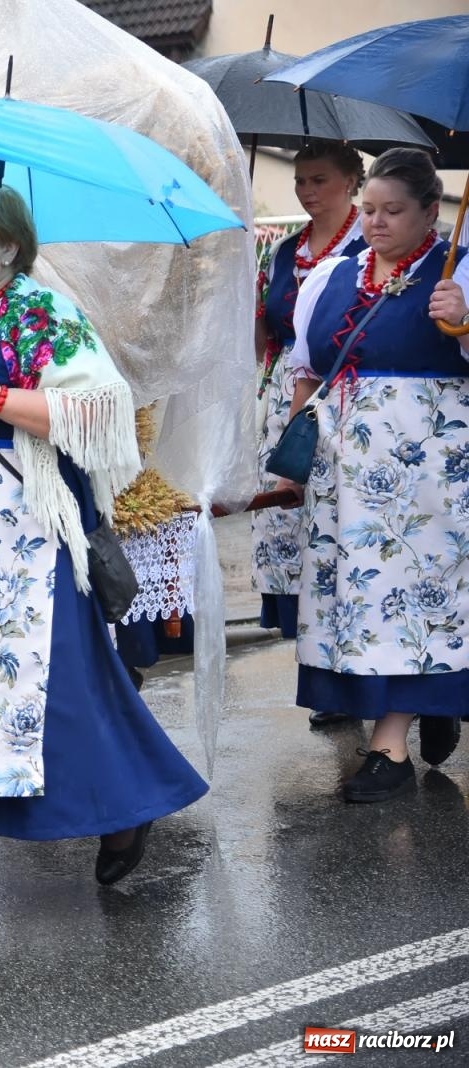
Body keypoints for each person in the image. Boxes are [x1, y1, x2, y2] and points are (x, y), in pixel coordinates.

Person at [0, 180, 208, 919]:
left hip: (13, 558)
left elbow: (99, 414)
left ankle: (123, 811)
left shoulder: (41, 315)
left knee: (50, 701)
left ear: (10, 246)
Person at [283, 147, 469, 801]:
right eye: (370, 210)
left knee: (409, 607)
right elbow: (306, 371)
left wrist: (463, 317)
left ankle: (390, 746)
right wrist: (296, 457)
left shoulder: (459, 274)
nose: (378, 222)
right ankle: (424, 705)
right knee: (355, 609)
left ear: (429, 212)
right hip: (342, 481)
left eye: (394, 211)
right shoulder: (330, 277)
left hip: (426, 484)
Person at [254, 142, 367, 727]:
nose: (306, 190)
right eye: (299, 180)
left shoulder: (368, 248)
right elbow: (265, 339)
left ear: (353, 180)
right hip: (282, 399)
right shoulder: (281, 252)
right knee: (293, 544)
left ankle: (360, 677)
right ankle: (328, 674)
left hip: (341, 400)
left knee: (339, 539)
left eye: (319, 179)